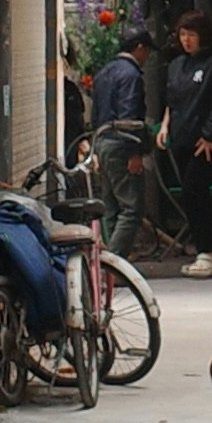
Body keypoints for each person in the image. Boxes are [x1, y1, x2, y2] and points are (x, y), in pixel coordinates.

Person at [159, 8, 212, 279]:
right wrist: (165, 126)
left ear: (202, 35)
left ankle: (207, 252)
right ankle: (203, 252)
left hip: (205, 142)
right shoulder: (176, 66)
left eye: (191, 34)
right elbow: (172, 101)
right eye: (182, 34)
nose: (186, 40)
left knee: (195, 190)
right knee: (191, 195)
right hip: (180, 138)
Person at [89, 24, 155, 259]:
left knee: (110, 207)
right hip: (121, 144)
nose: (147, 57)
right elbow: (129, 118)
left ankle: (105, 263)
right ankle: (113, 263)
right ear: (139, 48)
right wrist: (135, 151)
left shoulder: (104, 72)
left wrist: (94, 148)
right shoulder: (131, 75)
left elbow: (95, 115)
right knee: (132, 208)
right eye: (146, 51)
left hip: (102, 142)